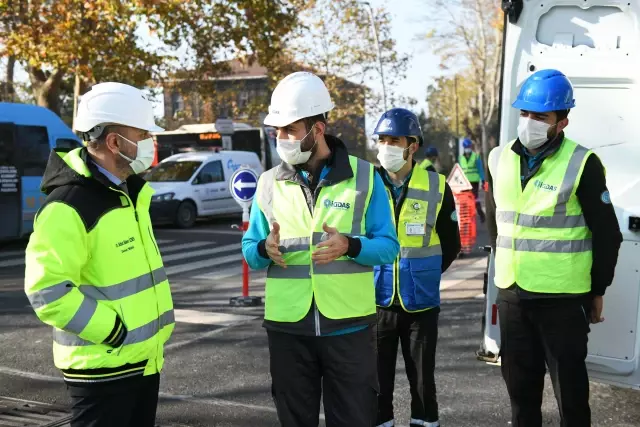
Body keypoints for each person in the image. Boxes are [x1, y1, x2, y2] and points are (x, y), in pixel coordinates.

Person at [242, 71, 400, 427]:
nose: (281, 138)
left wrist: (351, 245)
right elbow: (250, 250)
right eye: (277, 131)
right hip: (288, 331)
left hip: (349, 329)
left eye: (290, 130)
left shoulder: (365, 178)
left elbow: (388, 247)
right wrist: (265, 250)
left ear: (318, 129)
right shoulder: (268, 184)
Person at [24, 82, 175, 427]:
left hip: (142, 360)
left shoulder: (130, 193)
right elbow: (47, 291)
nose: (151, 143)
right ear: (114, 142)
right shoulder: (68, 205)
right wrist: (114, 331)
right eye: (143, 134)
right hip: (103, 367)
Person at [485, 69, 623, 427]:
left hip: (562, 300)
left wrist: (597, 291)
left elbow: (608, 234)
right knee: (521, 398)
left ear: (562, 121)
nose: (529, 122)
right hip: (513, 295)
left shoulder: (582, 164)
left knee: (571, 400)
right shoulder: (499, 158)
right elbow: (495, 220)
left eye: (540, 116)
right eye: (525, 113)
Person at [373, 108, 461, 427]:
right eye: (381, 140)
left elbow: (452, 244)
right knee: (376, 386)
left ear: (412, 145)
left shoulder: (437, 186)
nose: (386, 146)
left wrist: (425, 275)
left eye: (393, 140)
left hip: (420, 305)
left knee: (423, 384)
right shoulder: (366, 186)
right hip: (376, 301)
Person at [460, 138, 486, 222]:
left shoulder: (476, 156)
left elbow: (480, 169)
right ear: (464, 147)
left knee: (475, 199)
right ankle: (466, 218)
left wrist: (483, 180)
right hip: (464, 182)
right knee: (464, 200)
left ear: (471, 147)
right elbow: (459, 170)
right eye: (466, 147)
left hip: (474, 182)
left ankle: (481, 214)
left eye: (469, 147)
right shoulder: (461, 158)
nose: (468, 148)